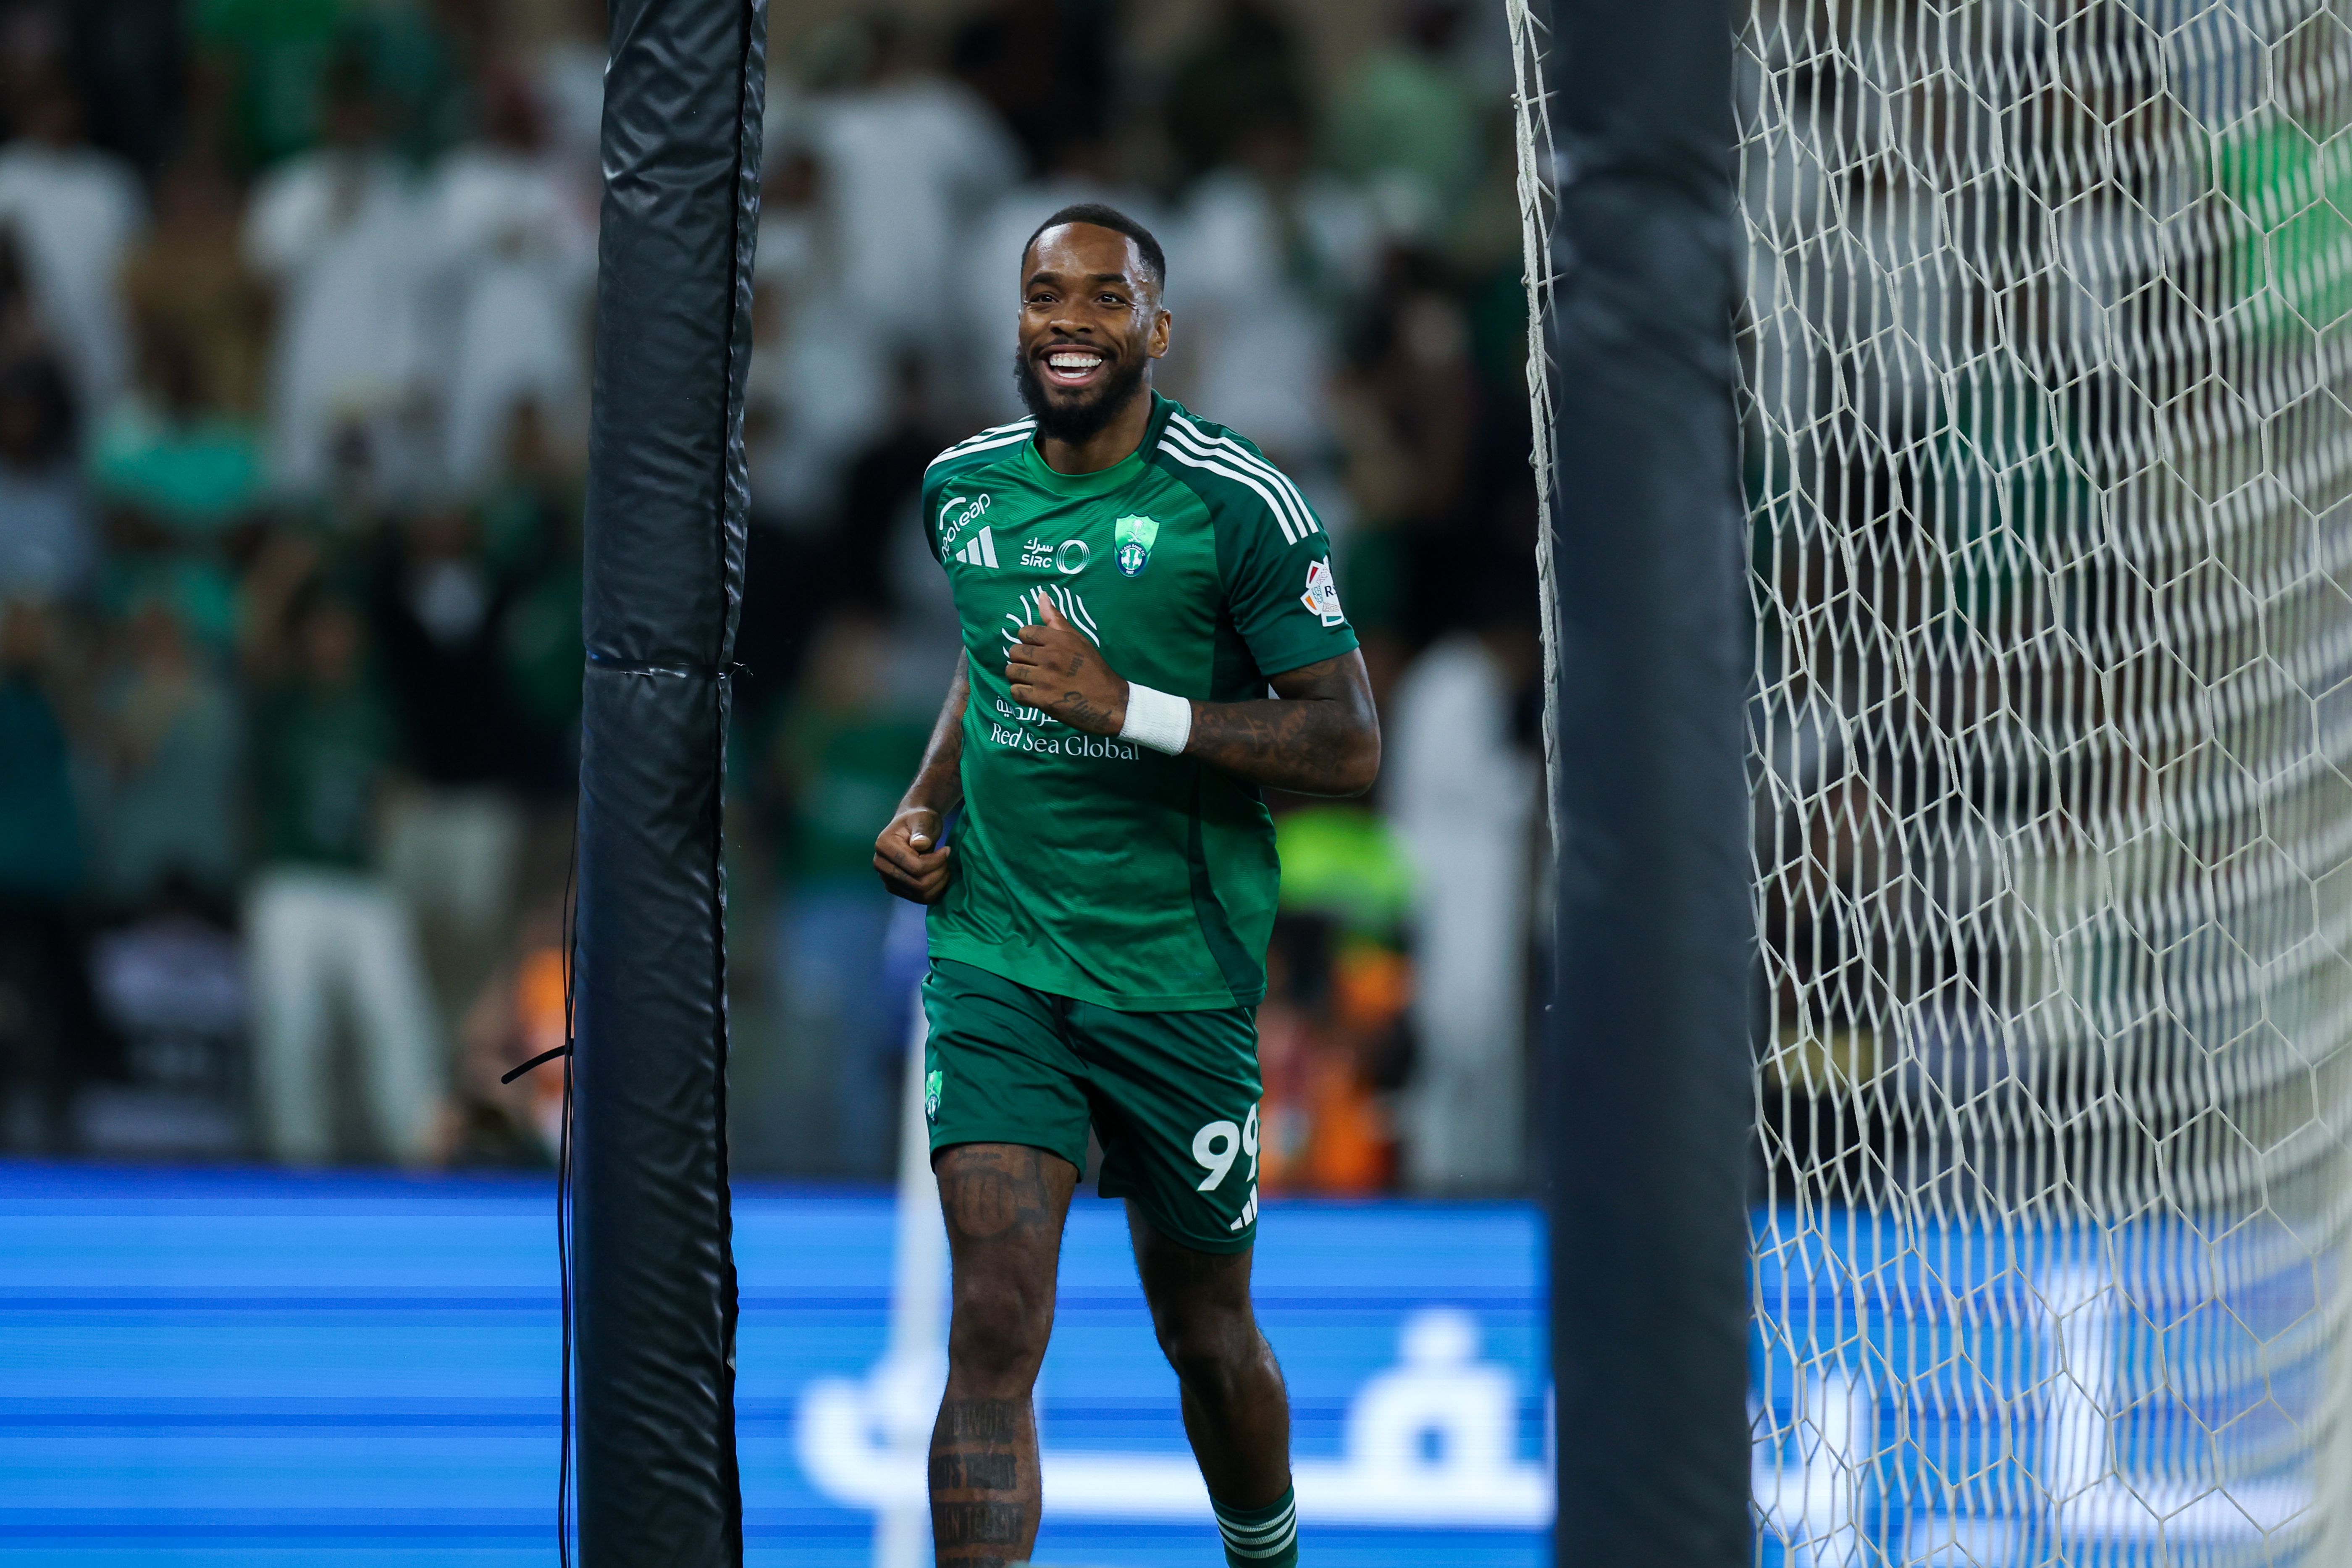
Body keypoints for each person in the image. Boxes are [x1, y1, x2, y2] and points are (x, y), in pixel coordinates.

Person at [872, 205, 1379, 1568]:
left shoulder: (1235, 500)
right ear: (1017, 317)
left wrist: (1132, 712)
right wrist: (928, 800)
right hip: (1001, 964)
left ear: (1159, 330)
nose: (1072, 325)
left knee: (1206, 1339)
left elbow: (1346, 743)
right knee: (992, 1323)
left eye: (1108, 301)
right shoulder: (962, 488)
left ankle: (1265, 1553)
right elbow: (989, 663)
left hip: (1176, 975)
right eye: (1048, 298)